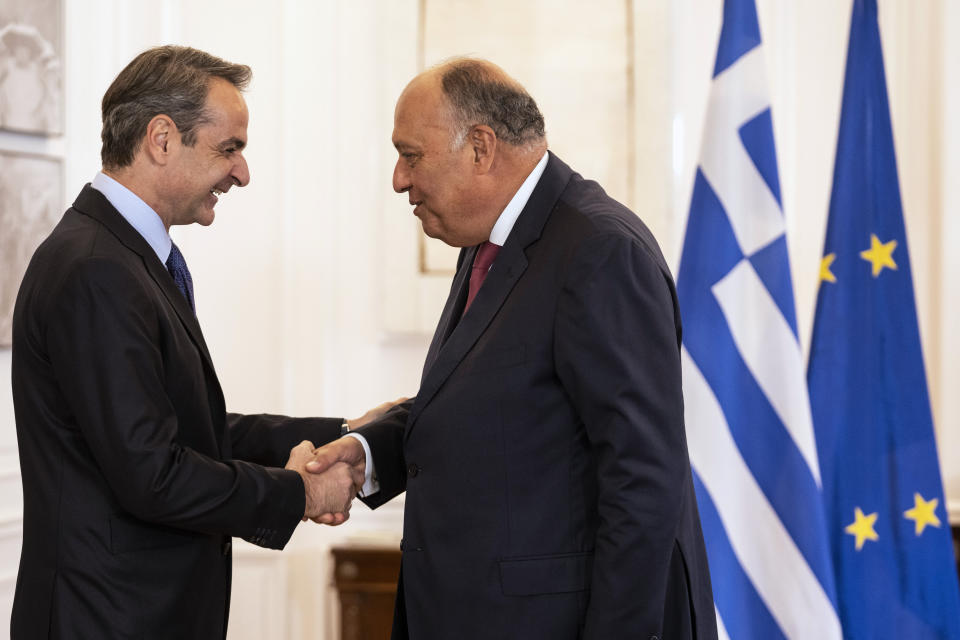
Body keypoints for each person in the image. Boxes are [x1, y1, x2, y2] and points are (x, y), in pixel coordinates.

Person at [309, 58, 719, 640]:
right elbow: (493, 407)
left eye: (411, 155)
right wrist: (368, 453)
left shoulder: (600, 250)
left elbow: (643, 482)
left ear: (481, 147)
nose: (399, 180)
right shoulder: (489, 243)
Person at [10, 45, 388, 639]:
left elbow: (189, 432)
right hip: (109, 621)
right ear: (162, 139)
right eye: (229, 148)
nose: (242, 172)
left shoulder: (121, 257)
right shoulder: (96, 269)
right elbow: (154, 473)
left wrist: (343, 434)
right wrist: (301, 492)